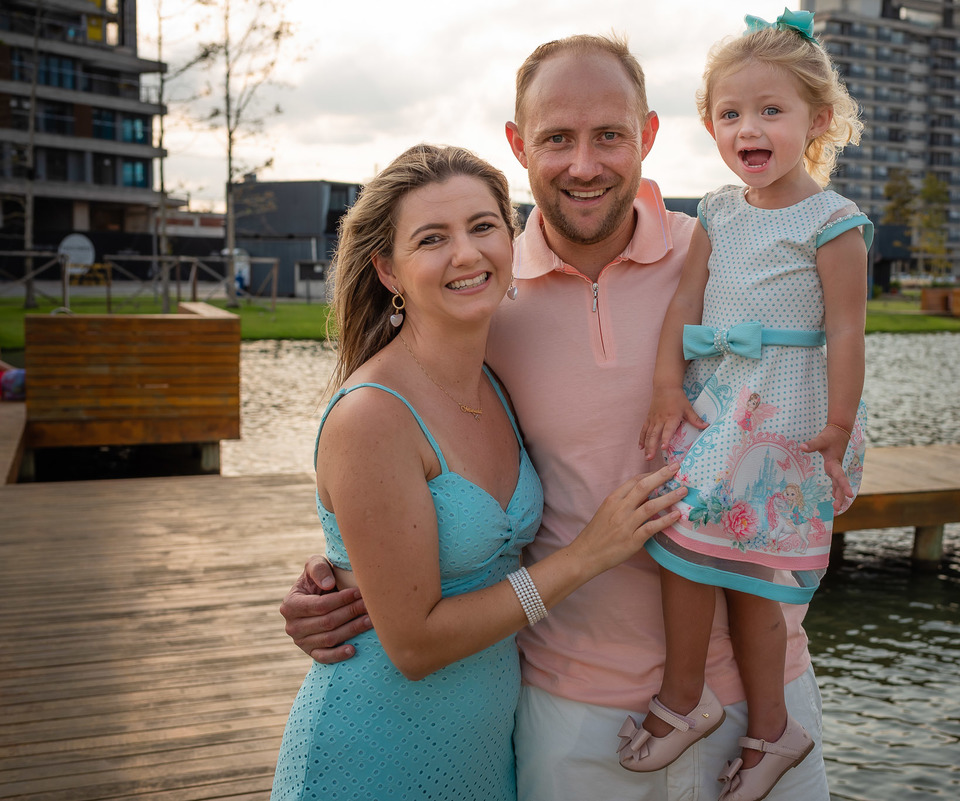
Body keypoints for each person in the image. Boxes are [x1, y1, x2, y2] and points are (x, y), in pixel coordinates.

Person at [281, 33, 835, 801]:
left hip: (760, 703)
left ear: (647, 134)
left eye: (609, 135)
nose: (584, 164)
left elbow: (819, 405)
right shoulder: (486, 303)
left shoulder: (722, 254)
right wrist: (340, 578)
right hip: (568, 714)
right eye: (556, 139)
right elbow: (404, 451)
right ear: (519, 145)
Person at [270, 143, 684, 801]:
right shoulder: (372, 414)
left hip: (485, 751)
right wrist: (587, 555)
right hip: (374, 753)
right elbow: (413, 644)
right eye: (432, 238)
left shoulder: (495, 379)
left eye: (482, 226)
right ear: (388, 269)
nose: (465, 253)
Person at [624, 10, 871, 800]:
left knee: (758, 580)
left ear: (817, 121)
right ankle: (685, 693)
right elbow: (683, 308)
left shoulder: (833, 223)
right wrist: (667, 383)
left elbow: (846, 332)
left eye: (771, 110)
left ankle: (773, 730)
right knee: (683, 542)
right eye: (730, 113)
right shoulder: (720, 213)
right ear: (710, 126)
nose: (748, 128)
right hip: (720, 406)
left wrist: (836, 428)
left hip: (789, 418)